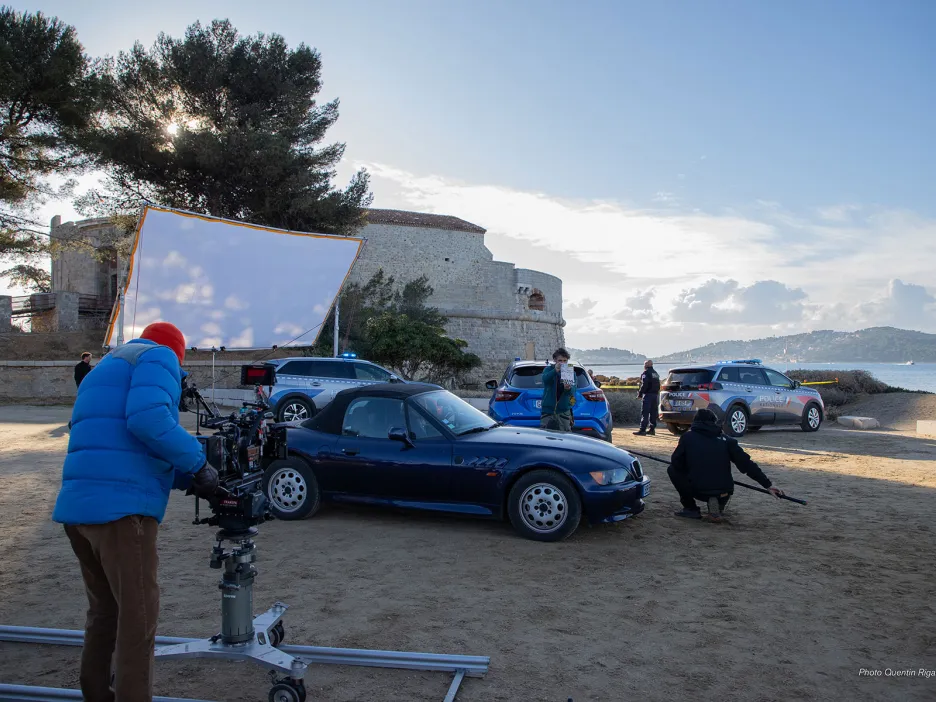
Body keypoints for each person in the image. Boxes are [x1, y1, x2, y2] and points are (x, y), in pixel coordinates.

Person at [51, 321, 220, 702]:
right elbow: (147, 421)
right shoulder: (159, 357)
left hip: (79, 511)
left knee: (104, 614)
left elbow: (120, 443)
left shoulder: (106, 368)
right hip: (122, 516)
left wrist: (185, 478)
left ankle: (96, 694)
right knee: (137, 620)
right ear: (177, 352)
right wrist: (199, 464)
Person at [668, 408, 785, 522]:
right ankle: (717, 503)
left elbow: (676, 462)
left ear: (695, 422)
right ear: (715, 422)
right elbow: (746, 464)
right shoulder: (727, 440)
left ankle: (690, 508)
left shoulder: (687, 438)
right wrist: (768, 485)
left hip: (697, 489)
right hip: (725, 490)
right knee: (717, 488)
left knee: (672, 470)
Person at [540, 347, 575, 432]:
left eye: (565, 361)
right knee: (546, 437)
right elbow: (545, 379)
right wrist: (555, 370)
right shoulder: (548, 369)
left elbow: (573, 392)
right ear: (555, 360)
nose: (562, 363)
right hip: (548, 411)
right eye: (560, 360)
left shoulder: (570, 372)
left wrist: (568, 388)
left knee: (565, 438)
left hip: (563, 411)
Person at [633, 359, 660, 436]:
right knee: (653, 413)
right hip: (655, 395)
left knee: (645, 413)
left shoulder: (646, 373)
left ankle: (642, 429)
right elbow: (658, 385)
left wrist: (640, 394)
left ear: (646, 365)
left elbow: (644, 384)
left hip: (648, 395)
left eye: (644, 364)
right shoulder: (655, 373)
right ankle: (652, 429)